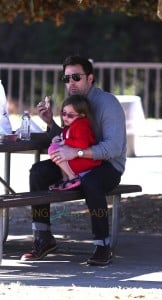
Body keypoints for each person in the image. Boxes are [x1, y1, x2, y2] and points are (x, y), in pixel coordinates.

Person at [21, 55, 126, 266]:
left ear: (90, 78)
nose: (71, 83)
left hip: (107, 166)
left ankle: (102, 245)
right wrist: (51, 123)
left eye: (76, 77)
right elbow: (67, 140)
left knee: (91, 182)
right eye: (67, 78)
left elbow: (113, 148)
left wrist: (76, 154)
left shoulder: (107, 103)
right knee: (38, 172)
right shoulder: (74, 104)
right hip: (75, 163)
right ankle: (43, 237)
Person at [48, 94, 102, 191]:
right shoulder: (70, 126)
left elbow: (82, 144)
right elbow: (69, 141)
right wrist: (58, 140)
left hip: (86, 161)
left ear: (81, 115)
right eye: (63, 113)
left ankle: (72, 178)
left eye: (70, 115)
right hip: (77, 159)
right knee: (54, 147)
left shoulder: (81, 126)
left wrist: (64, 142)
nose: (65, 117)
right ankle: (65, 179)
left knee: (53, 149)